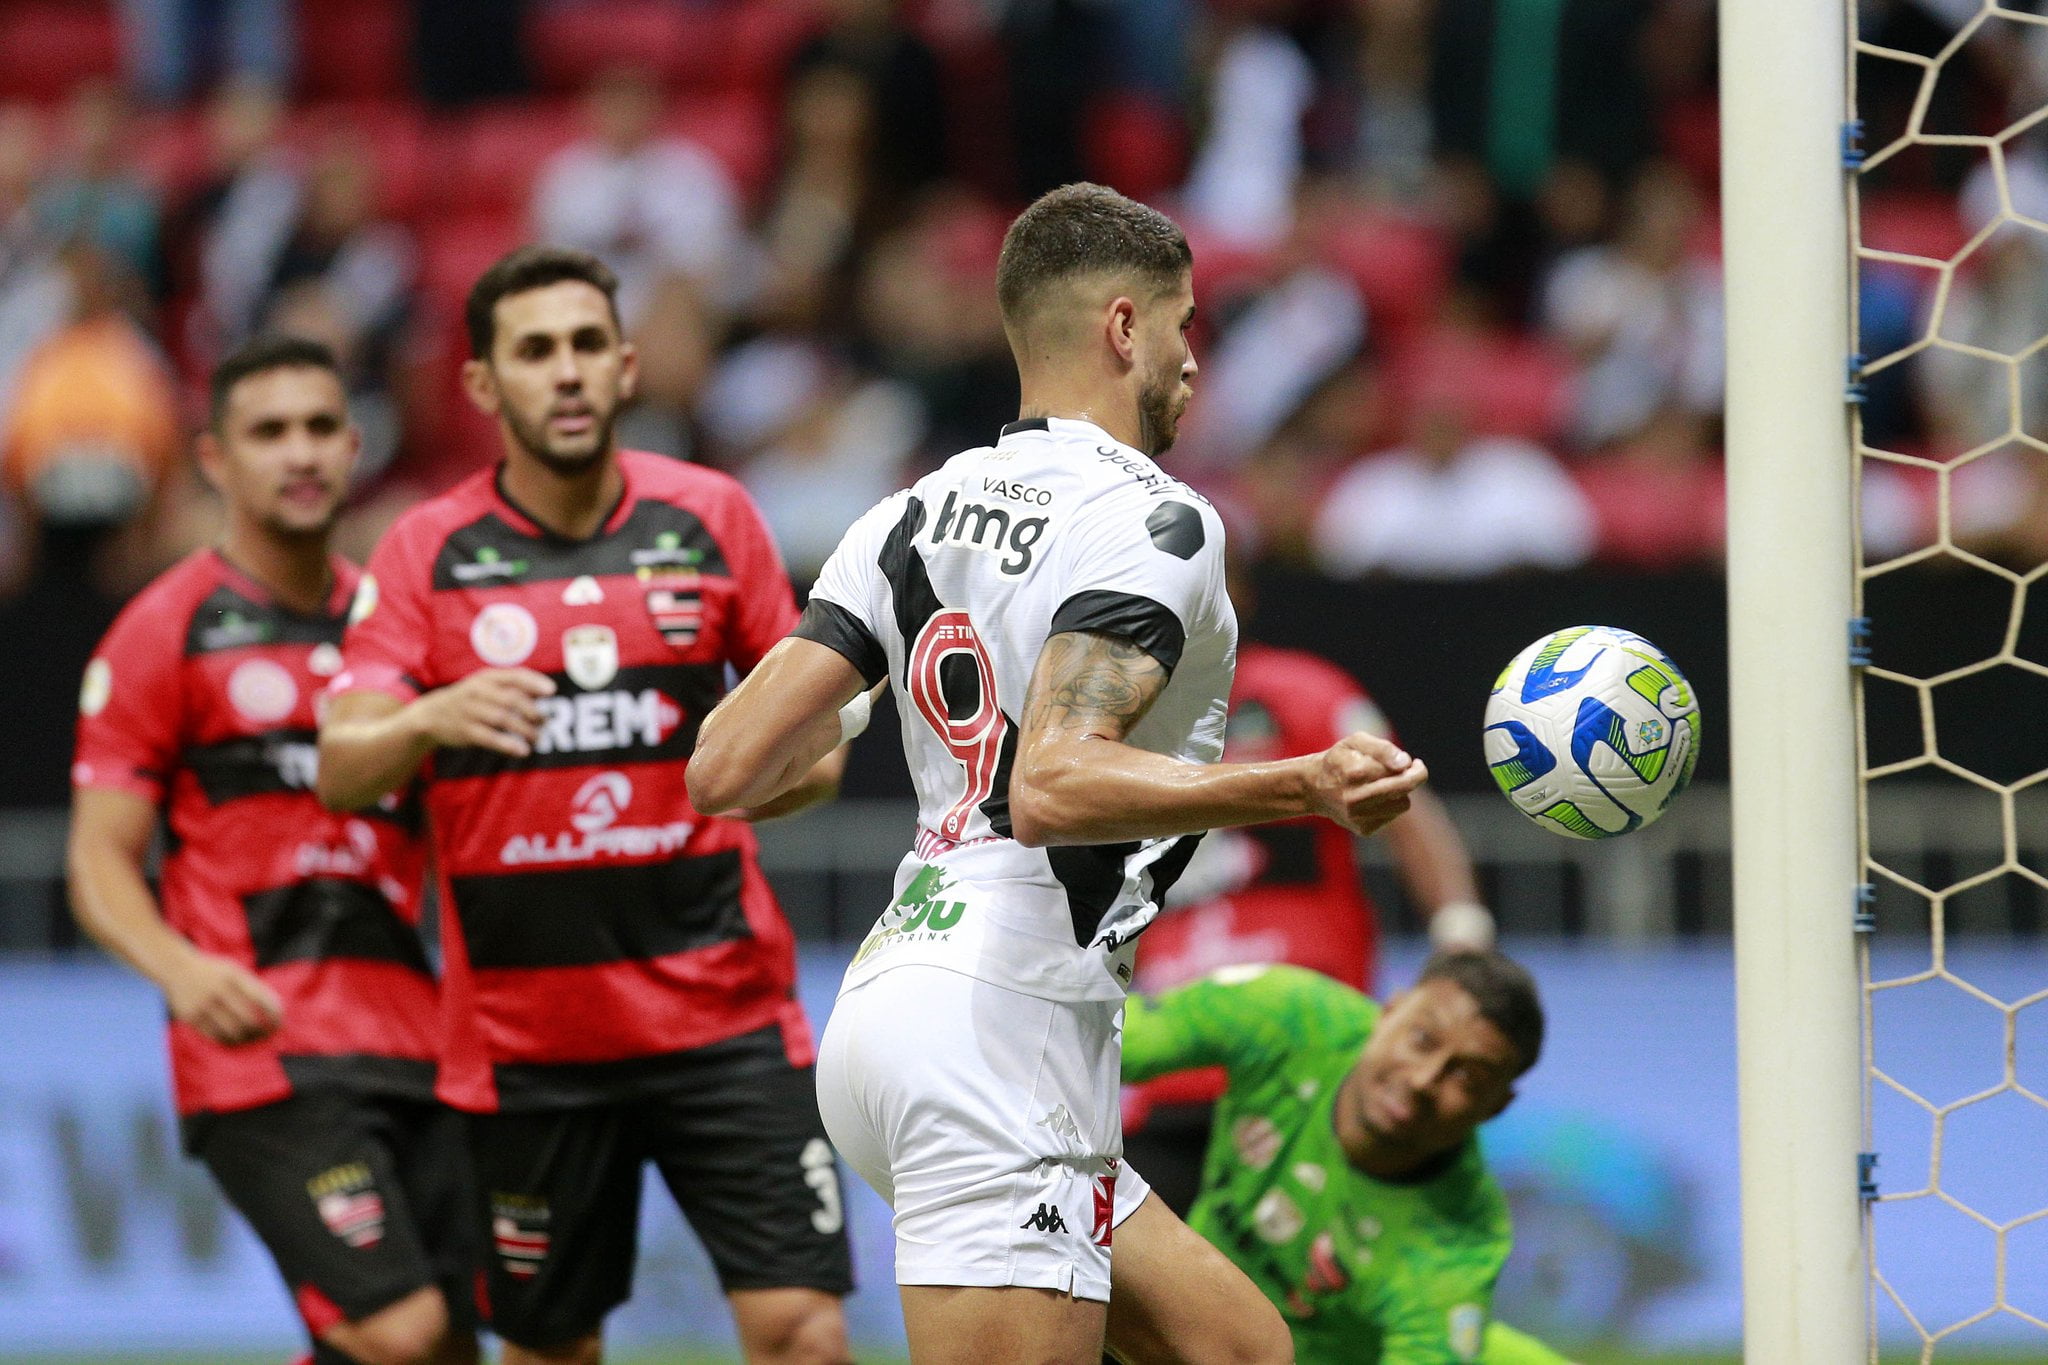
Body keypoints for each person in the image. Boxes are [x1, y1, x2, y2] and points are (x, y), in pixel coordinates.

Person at [688, 181, 1426, 1363]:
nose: (1196, 364)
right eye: (1188, 327)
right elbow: (1054, 788)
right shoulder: (1158, 523)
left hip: (897, 1005)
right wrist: (1302, 785)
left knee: (1238, 1349)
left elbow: (722, 767)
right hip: (1004, 1024)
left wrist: (873, 731)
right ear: (1125, 327)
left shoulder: (908, 510)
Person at [315, 246, 853, 1365]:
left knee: (802, 1331)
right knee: (552, 1350)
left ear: (624, 364)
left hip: (724, 1020)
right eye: (533, 351)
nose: (563, 373)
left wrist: (756, 779)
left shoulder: (713, 519)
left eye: (583, 347)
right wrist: (428, 717)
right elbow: (340, 761)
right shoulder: (423, 550)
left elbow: (816, 753)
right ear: (482, 384)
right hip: (525, 1049)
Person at [67, 335, 475, 1365]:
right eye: (268, 432)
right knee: (401, 1329)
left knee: (456, 1343)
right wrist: (179, 968)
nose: (298, 454)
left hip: (413, 1039)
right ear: (216, 459)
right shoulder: (166, 630)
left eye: (318, 429)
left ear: (352, 445)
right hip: (262, 1050)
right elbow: (97, 857)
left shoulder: (397, 634)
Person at [1125, 560, 1495, 1214]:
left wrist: (1462, 936)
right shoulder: (1124, 720)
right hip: (1173, 1062)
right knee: (1130, 1288)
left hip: (1309, 1050)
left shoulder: (1300, 690)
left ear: (1236, 591)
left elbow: (1408, 809)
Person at [1121, 953, 1578, 1365]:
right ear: (1390, 1011)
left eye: (1469, 1078)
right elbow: (1100, 1044)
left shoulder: (1461, 1241)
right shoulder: (1288, 1014)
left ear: (1495, 1106)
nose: (1423, 1079)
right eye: (1422, 1039)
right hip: (1197, 1322)